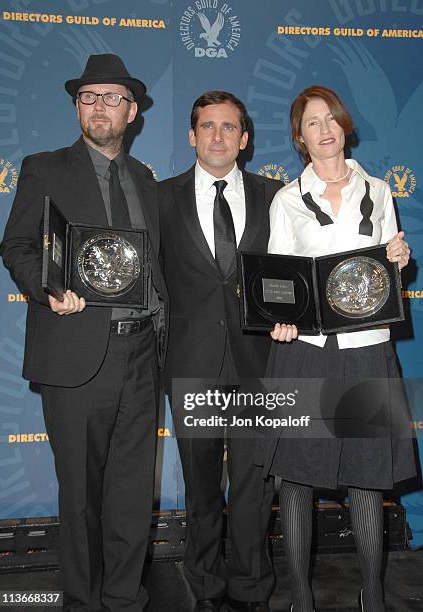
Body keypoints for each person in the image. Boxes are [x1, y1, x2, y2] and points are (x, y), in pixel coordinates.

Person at [0, 54, 168, 612]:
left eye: (112, 98)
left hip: (142, 353)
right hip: (74, 352)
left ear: (133, 111)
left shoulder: (147, 181)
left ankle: (124, 598)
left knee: (130, 494)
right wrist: (46, 289)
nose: (100, 106)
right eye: (89, 97)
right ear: (76, 107)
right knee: (80, 495)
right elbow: (16, 246)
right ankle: (82, 602)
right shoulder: (44, 168)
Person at [264, 85, 416, 612]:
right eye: (312, 122)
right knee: (298, 482)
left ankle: (371, 594)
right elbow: (280, 281)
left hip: (367, 351)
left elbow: (386, 279)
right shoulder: (286, 199)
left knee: (368, 481)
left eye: (331, 118)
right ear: (300, 138)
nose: (324, 128)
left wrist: (399, 260)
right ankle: (301, 598)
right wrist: (280, 321)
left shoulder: (379, 191)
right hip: (304, 355)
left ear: (345, 125)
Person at [158, 91, 281, 612]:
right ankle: (205, 584)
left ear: (244, 139)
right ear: (192, 135)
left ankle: (252, 585)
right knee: (201, 485)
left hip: (261, 363)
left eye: (228, 127)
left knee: (255, 486)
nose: (217, 136)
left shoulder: (278, 196)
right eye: (207, 126)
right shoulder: (161, 199)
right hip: (191, 363)